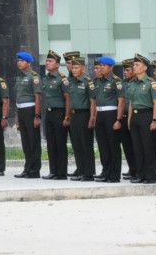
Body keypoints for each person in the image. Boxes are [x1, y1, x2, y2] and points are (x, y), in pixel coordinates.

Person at [127, 54, 156, 184]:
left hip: (146, 115)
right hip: (135, 116)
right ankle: (140, 175)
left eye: (137, 65)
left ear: (145, 67)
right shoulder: (133, 83)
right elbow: (131, 102)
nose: (134, 67)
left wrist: (154, 120)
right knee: (137, 147)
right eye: (134, 65)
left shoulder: (151, 83)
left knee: (148, 147)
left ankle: (150, 176)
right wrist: (130, 118)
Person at [92, 56, 125, 183]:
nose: (101, 68)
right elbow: (95, 101)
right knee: (103, 145)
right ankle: (106, 172)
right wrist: (94, 117)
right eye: (100, 66)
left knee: (113, 145)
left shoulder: (116, 81)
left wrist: (118, 119)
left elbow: (121, 101)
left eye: (104, 66)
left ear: (111, 67)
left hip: (111, 114)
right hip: (100, 114)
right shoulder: (98, 81)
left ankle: (115, 174)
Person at [65, 56, 97, 181]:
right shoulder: (71, 82)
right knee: (77, 144)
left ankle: (88, 173)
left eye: (76, 67)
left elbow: (93, 101)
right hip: (74, 115)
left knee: (86, 144)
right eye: (72, 68)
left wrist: (92, 117)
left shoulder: (88, 82)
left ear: (83, 68)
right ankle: (81, 170)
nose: (74, 70)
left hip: (85, 114)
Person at [40, 51, 71, 180]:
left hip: (60, 112)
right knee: (51, 143)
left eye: (50, 61)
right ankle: (53, 171)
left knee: (60, 143)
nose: (47, 63)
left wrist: (67, 117)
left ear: (57, 64)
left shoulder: (62, 79)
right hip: (49, 112)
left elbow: (68, 99)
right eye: (47, 61)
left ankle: (62, 172)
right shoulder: (45, 79)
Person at [13, 52, 42, 178]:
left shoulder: (33, 77)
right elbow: (18, 99)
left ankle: (35, 170)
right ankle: (27, 168)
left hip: (31, 110)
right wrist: (17, 119)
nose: (19, 62)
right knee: (25, 141)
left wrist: (37, 116)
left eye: (22, 61)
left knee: (33, 141)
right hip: (21, 111)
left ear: (29, 63)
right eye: (18, 60)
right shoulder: (19, 77)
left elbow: (38, 97)